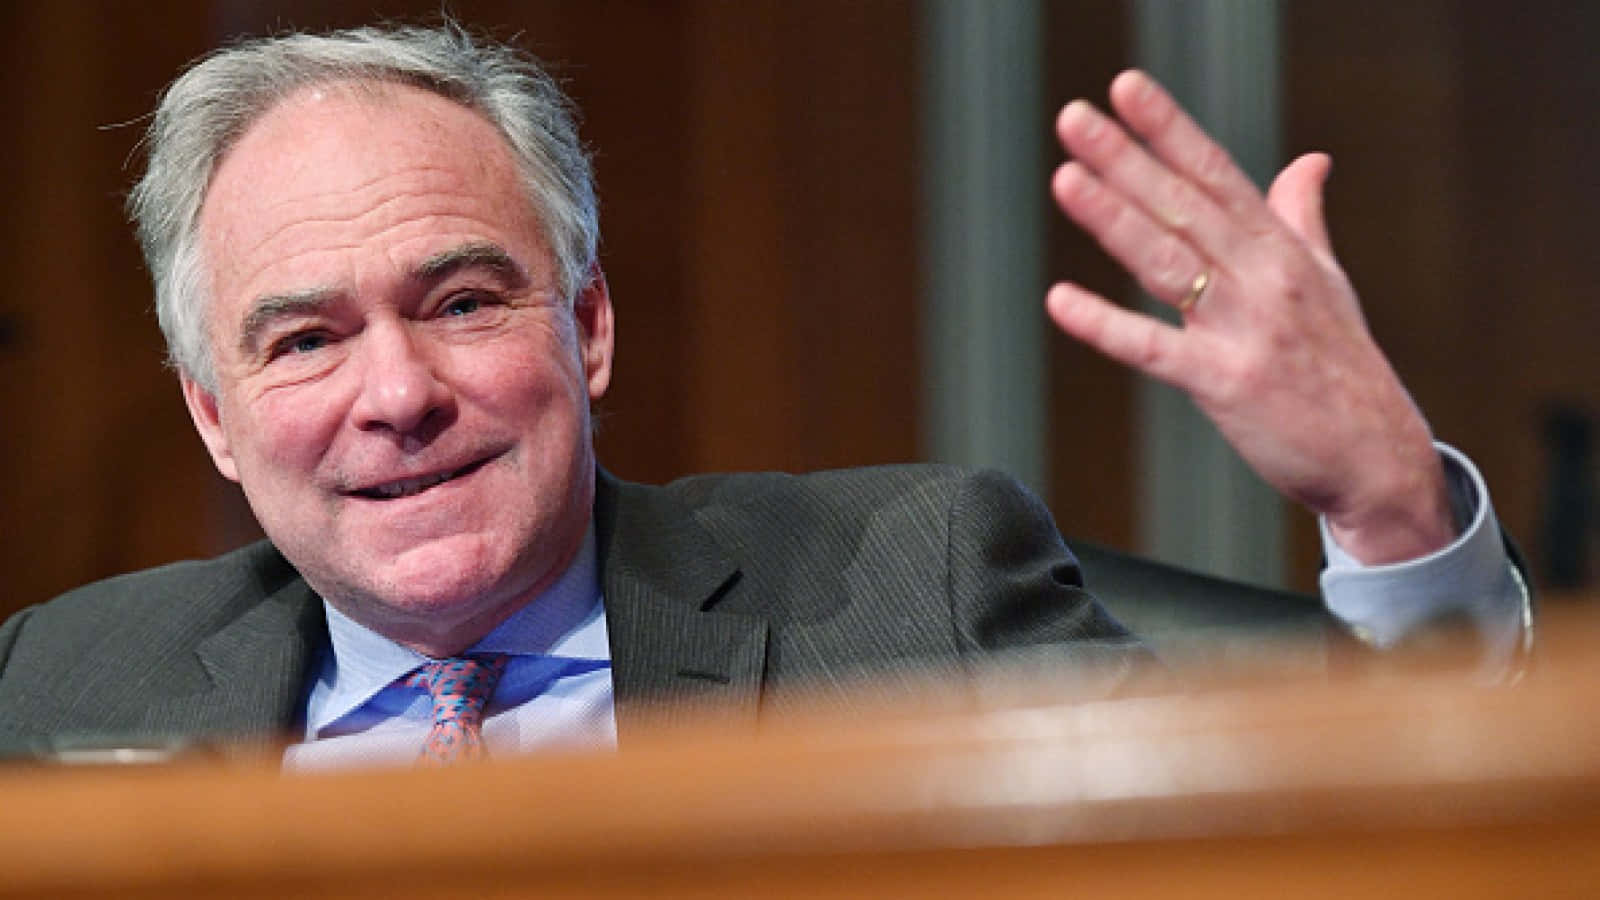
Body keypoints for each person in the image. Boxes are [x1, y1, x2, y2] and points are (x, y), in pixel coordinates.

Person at [0, 24, 1526, 768]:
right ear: (215, 414)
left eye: (463, 302)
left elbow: (1330, 851)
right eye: (306, 340)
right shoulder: (58, 692)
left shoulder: (908, 597)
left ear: (587, 330)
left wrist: (1387, 516)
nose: (395, 392)